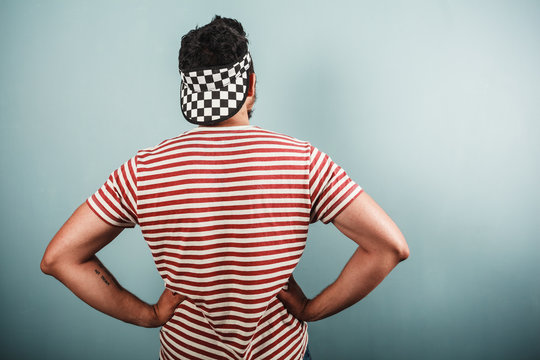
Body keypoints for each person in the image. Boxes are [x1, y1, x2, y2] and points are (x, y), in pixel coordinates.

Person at [40, 15, 409, 360]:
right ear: (250, 83)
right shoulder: (303, 162)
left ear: (189, 92)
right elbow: (389, 247)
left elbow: (60, 258)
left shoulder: (144, 169)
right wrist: (312, 309)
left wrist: (147, 314)